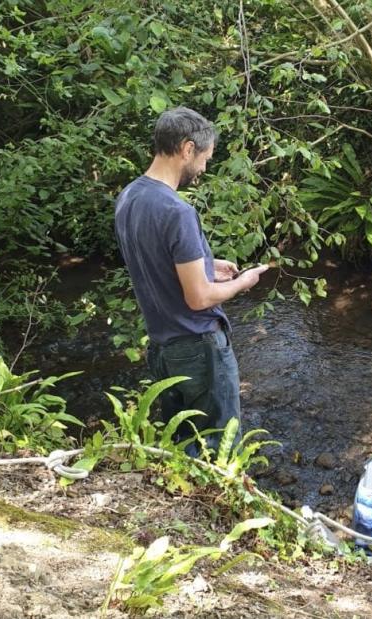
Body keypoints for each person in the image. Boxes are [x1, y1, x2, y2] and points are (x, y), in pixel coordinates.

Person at [114, 106, 269, 456]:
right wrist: (243, 283)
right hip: (199, 348)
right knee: (220, 448)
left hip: (162, 349)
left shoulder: (129, 198)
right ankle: (221, 507)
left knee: (183, 445)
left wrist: (209, 265)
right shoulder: (177, 211)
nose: (203, 168)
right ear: (187, 149)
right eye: (205, 158)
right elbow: (199, 298)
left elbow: (155, 263)